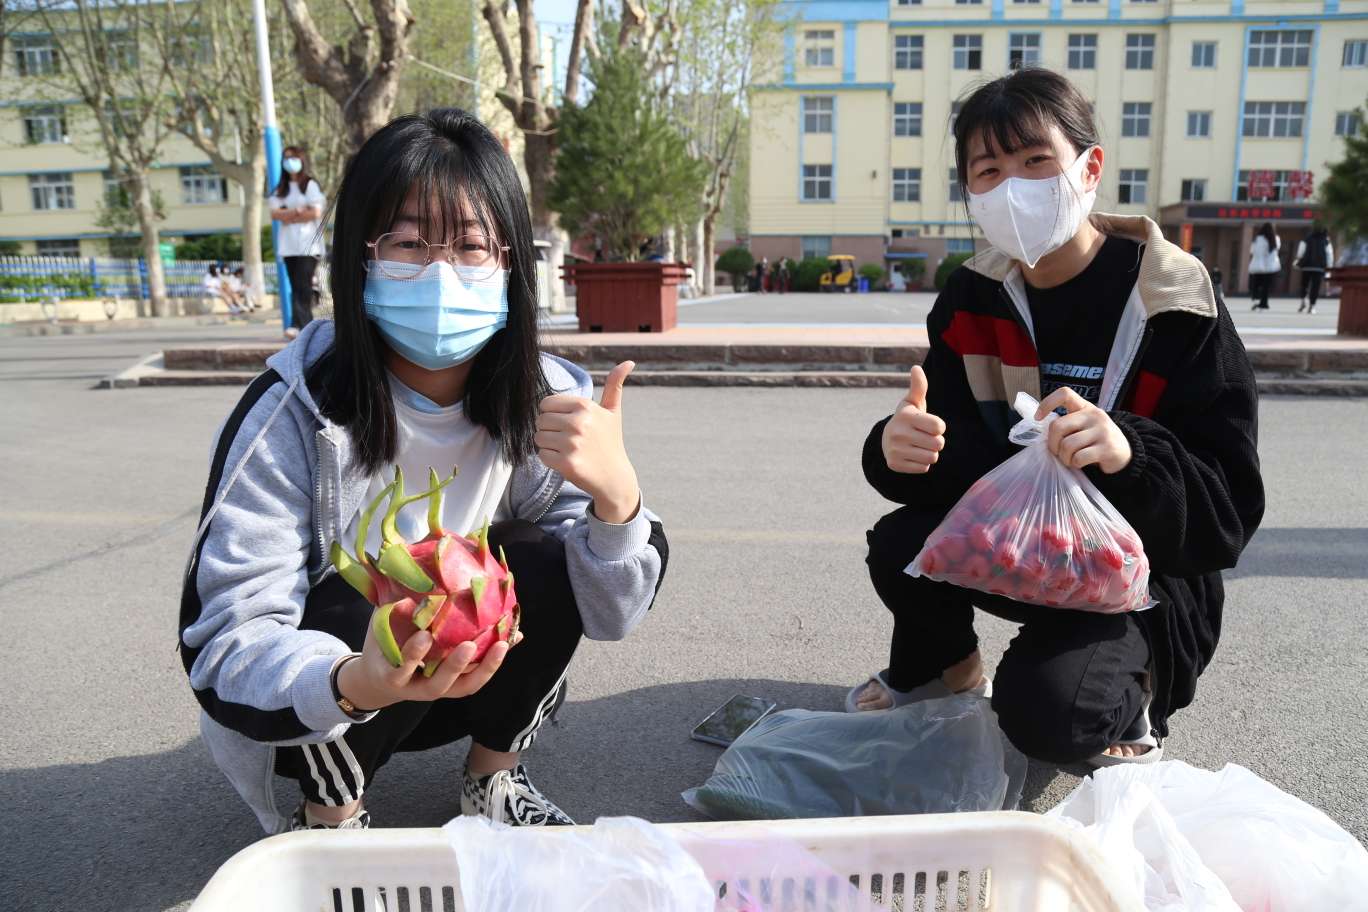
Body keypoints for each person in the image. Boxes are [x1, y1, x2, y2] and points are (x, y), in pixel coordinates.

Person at [179, 108, 669, 835]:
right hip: (331, 698)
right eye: (407, 243)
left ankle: (494, 778)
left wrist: (618, 503)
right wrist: (353, 681)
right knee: (359, 587)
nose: (441, 274)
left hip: (474, 672)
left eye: (472, 246)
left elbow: (611, 613)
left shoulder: (549, 400)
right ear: (359, 258)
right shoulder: (290, 410)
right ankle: (333, 815)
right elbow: (226, 638)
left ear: (509, 264)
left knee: (543, 558)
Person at [850, 69, 1263, 768]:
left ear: (1089, 167)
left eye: (1036, 162)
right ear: (970, 193)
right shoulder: (975, 296)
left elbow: (1229, 509)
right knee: (900, 547)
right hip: (1023, 543)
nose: (1013, 187)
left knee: (1050, 716)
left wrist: (1129, 452)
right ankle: (946, 667)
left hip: (1139, 572)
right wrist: (895, 449)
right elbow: (960, 461)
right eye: (989, 170)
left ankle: (1132, 689)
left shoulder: (1176, 302)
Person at [268, 145, 327, 338]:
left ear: (301, 160)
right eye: (286, 158)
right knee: (296, 285)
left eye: (293, 158)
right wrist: (299, 211)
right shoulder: (281, 188)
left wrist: (289, 214)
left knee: (303, 285)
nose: (289, 162)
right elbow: (275, 213)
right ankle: (302, 326)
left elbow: (315, 212)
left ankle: (301, 326)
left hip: (308, 246)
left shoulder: (309, 185)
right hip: (289, 246)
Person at [1294, 225, 1333, 314]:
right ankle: (1312, 306)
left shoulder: (1307, 239)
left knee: (1304, 285)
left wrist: (1299, 260)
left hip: (1306, 266)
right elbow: (1329, 255)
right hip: (1319, 267)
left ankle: (1303, 301)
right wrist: (1329, 267)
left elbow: (1300, 252)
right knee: (1315, 287)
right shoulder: (1326, 240)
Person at [1248, 222, 1281, 311]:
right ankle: (1264, 303)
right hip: (1270, 266)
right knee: (1266, 286)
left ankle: (1256, 300)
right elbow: (1276, 251)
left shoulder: (1258, 239)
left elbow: (1252, 251)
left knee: (1257, 284)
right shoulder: (1276, 239)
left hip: (1259, 266)